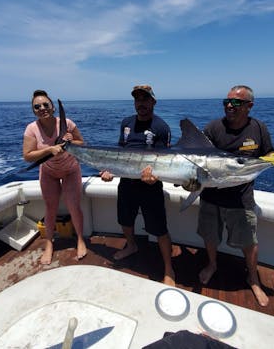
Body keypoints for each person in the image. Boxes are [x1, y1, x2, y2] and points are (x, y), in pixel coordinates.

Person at [198, 85, 274, 307]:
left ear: (249, 106)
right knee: (209, 236)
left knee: (249, 242)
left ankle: (253, 278)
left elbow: (269, 153)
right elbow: (196, 158)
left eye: (237, 102)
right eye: (227, 101)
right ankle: (212, 264)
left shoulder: (259, 128)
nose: (230, 105)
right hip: (211, 195)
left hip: (241, 198)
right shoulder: (213, 128)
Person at [100, 84, 176, 286]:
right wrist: (109, 170)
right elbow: (119, 152)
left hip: (150, 187)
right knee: (125, 220)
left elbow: (165, 162)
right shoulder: (126, 123)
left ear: (153, 101)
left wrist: (155, 177)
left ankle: (169, 268)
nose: (141, 103)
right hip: (127, 184)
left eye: (145, 99)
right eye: (137, 99)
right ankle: (131, 246)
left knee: (160, 229)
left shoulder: (161, 127)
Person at [23, 90, 87, 264]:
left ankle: (80, 239)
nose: (42, 108)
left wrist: (70, 141)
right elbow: (27, 155)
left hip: (70, 169)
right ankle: (49, 244)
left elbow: (83, 144)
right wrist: (49, 150)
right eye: (37, 106)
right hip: (48, 172)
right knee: (50, 209)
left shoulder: (67, 123)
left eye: (45, 105)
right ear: (33, 110)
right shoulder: (32, 129)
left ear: (52, 107)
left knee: (73, 206)